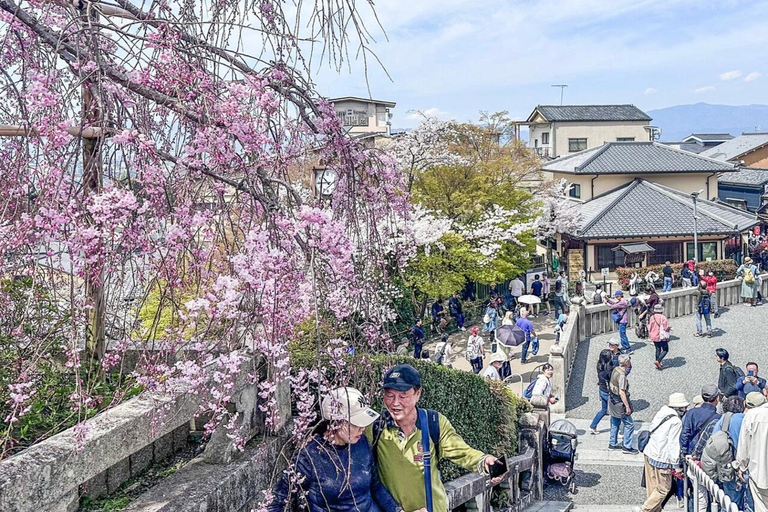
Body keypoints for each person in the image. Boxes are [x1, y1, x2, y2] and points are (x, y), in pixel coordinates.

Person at [369, 364, 502, 512]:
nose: (395, 403)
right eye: (390, 395)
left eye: (403, 396)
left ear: (418, 393)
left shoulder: (432, 422)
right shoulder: (375, 427)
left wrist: (484, 461)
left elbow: (462, 451)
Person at [268, 387, 402, 512]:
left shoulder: (361, 442)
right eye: (356, 423)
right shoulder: (310, 455)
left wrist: (398, 510)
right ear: (335, 422)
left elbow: (375, 485)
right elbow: (278, 500)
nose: (362, 428)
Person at [635, 393, 689, 512]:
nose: (685, 409)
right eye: (684, 407)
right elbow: (673, 444)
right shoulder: (676, 422)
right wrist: (676, 466)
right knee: (663, 488)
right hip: (662, 458)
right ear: (678, 408)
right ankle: (645, 509)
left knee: (652, 488)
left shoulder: (662, 412)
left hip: (650, 452)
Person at [708, 396, 747, 509]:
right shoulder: (743, 419)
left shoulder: (723, 419)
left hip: (724, 464)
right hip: (739, 465)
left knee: (727, 501)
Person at [735, 393, 768, 512]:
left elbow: (744, 447)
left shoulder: (751, 415)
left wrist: (741, 467)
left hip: (759, 473)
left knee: (761, 507)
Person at [680, 384, 721, 458]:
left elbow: (685, 434)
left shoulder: (691, 412)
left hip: (690, 451)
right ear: (717, 398)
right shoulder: (718, 418)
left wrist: (685, 452)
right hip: (706, 455)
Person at [608, 354, 636, 453]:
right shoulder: (622, 375)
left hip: (612, 400)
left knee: (615, 422)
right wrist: (627, 406)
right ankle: (627, 446)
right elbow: (622, 392)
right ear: (627, 362)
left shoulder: (616, 369)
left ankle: (612, 443)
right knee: (629, 424)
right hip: (620, 402)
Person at [589, 349, 616, 435]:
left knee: (603, 410)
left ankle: (593, 426)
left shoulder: (599, 365)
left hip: (602, 389)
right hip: (609, 392)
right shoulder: (609, 369)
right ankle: (614, 431)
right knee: (614, 412)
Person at [605, 290, 631, 354]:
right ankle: (624, 346)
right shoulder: (622, 301)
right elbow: (615, 303)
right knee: (622, 334)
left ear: (619, 296)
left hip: (623, 321)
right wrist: (607, 299)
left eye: (617, 296)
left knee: (623, 335)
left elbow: (613, 306)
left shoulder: (623, 302)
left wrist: (606, 303)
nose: (616, 297)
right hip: (622, 320)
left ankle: (628, 348)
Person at [648, 304, 671, 370]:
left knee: (657, 349)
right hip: (661, 336)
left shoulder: (652, 317)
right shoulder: (663, 317)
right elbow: (666, 327)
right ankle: (658, 361)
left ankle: (658, 363)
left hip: (653, 335)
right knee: (665, 349)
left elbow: (650, 327)